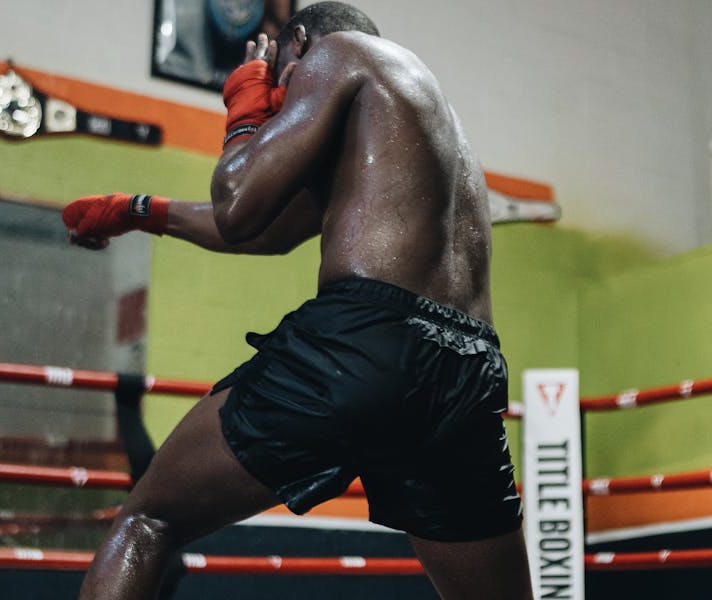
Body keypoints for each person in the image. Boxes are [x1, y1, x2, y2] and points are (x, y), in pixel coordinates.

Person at [63, 2, 533, 598]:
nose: (286, 92)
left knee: (146, 521)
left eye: (284, 72)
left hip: (365, 341)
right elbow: (266, 229)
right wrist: (139, 212)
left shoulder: (335, 54)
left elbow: (236, 204)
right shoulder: (417, 125)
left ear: (301, 43)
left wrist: (246, 104)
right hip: (465, 370)